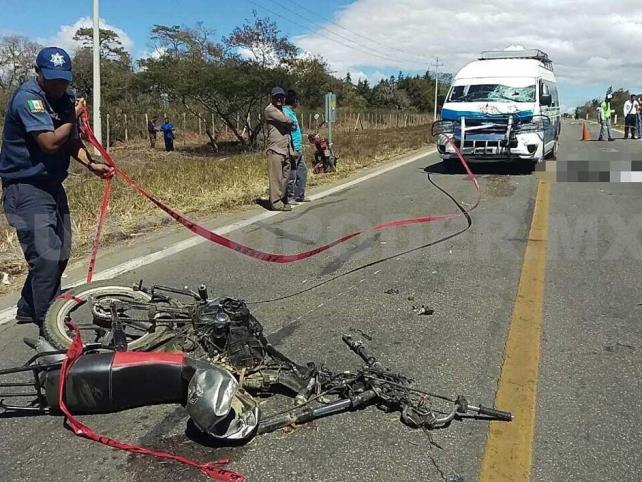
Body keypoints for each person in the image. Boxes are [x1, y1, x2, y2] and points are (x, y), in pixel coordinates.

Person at [0, 47, 112, 331]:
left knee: (59, 253)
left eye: (63, 79)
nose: (59, 85)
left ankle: (28, 309)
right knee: (46, 257)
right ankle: (51, 328)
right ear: (38, 74)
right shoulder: (29, 99)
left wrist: (91, 164)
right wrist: (72, 117)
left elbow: (71, 141)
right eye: (52, 79)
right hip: (25, 188)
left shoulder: (65, 100)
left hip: (52, 185)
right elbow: (50, 142)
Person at [264, 86, 294, 211]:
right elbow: (287, 120)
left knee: (285, 177)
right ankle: (275, 202)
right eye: (277, 97)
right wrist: (289, 122)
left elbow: (291, 125)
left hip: (285, 149)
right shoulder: (270, 110)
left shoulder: (281, 109)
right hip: (275, 149)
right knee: (275, 178)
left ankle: (281, 199)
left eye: (281, 97)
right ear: (272, 97)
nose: (279, 99)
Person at [283, 90, 310, 205]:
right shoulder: (285, 113)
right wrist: (291, 148)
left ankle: (299, 195)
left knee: (302, 171)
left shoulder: (292, 113)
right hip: (292, 148)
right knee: (292, 174)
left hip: (298, 147)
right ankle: (289, 197)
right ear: (294, 101)